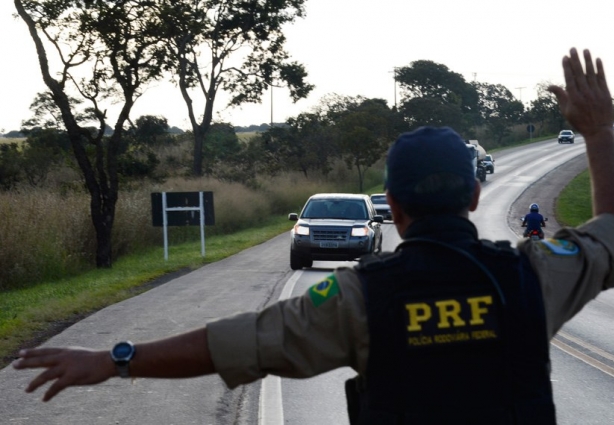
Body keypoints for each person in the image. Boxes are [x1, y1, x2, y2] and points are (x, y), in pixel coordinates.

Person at [13, 48, 614, 424]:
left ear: (394, 208)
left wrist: (116, 359)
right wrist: (599, 130)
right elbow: (609, 236)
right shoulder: (533, 276)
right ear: (476, 196)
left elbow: (238, 342)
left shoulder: (356, 299)